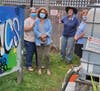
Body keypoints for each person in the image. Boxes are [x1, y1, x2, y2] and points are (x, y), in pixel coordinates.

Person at [34, 7, 52, 75]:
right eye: (41, 12)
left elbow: (50, 29)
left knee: (47, 55)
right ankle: (39, 68)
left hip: (47, 40)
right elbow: (35, 30)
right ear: (39, 13)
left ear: (46, 14)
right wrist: (40, 36)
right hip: (39, 40)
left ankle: (47, 68)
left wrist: (45, 35)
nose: (42, 14)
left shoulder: (48, 21)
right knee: (39, 56)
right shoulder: (36, 21)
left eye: (44, 13)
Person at [24, 7, 38, 71]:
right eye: (32, 12)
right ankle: (28, 65)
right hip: (28, 40)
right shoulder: (27, 20)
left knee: (38, 53)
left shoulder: (38, 19)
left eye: (35, 12)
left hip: (37, 40)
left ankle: (38, 64)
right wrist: (32, 26)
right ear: (30, 13)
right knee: (30, 53)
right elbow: (25, 29)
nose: (34, 13)